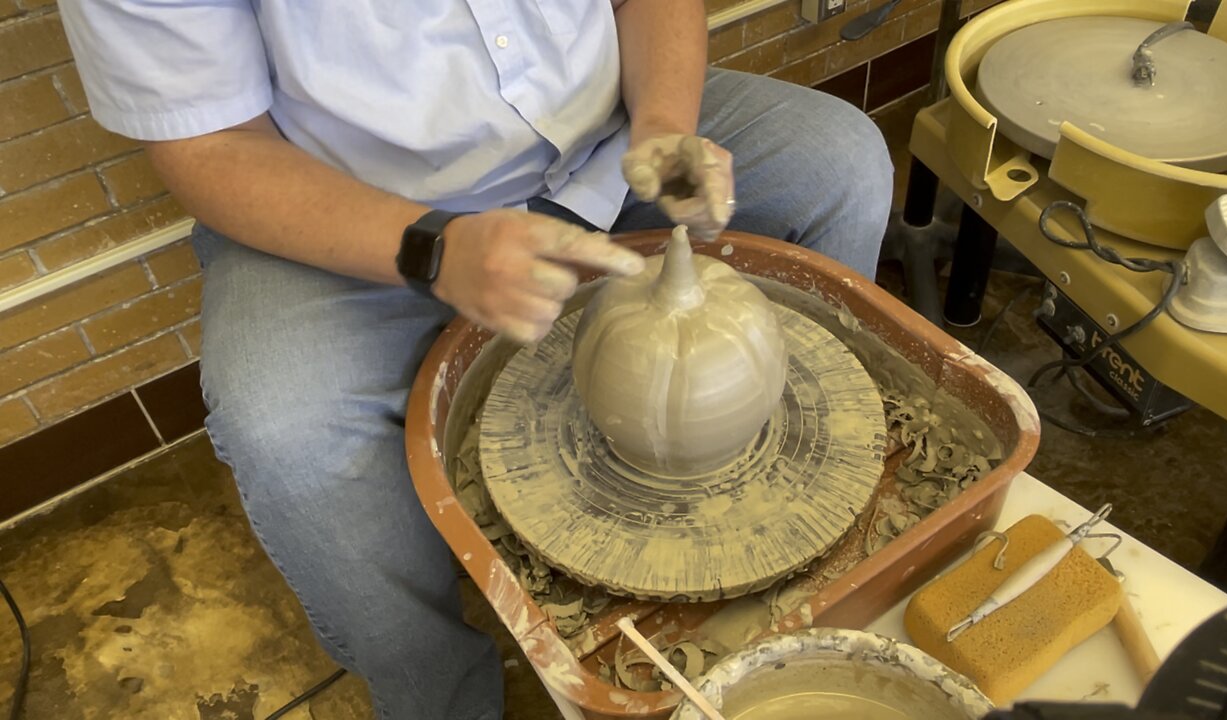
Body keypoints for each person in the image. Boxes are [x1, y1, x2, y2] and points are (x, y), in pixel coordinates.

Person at [60, 1, 892, 717]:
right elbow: (211, 146)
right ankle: (438, 695)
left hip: (602, 136)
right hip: (352, 205)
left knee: (841, 166)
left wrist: (667, 130)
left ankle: (801, 540)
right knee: (286, 432)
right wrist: (434, 249)